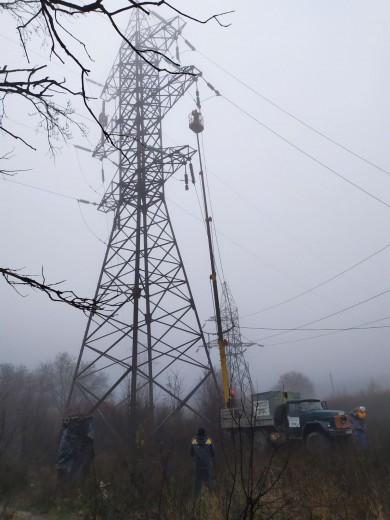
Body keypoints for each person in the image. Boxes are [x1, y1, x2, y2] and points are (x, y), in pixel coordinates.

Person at [190, 428, 215, 495]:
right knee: (207, 480)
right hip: (207, 464)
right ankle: (208, 496)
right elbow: (213, 452)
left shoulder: (194, 439)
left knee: (197, 481)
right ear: (205, 433)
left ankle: (196, 496)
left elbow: (191, 452)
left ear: (197, 433)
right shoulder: (209, 440)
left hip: (197, 465)